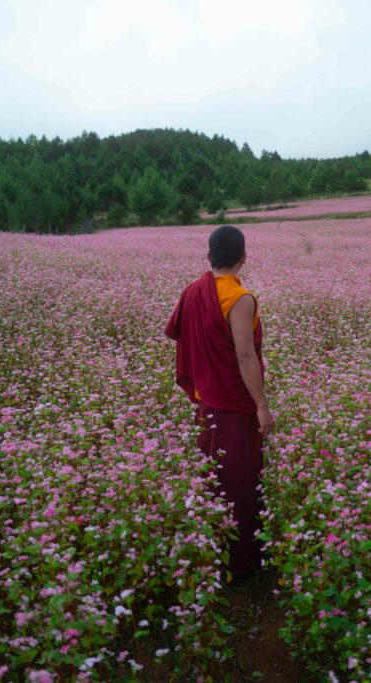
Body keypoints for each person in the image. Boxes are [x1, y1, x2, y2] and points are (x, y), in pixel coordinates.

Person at [164, 225, 275, 578]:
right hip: (235, 406)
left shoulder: (192, 291)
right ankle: (240, 565)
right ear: (244, 257)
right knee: (239, 482)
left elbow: (181, 335)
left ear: (209, 256)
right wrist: (261, 406)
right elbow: (244, 355)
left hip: (207, 402)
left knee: (213, 477)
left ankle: (212, 554)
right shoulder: (239, 298)